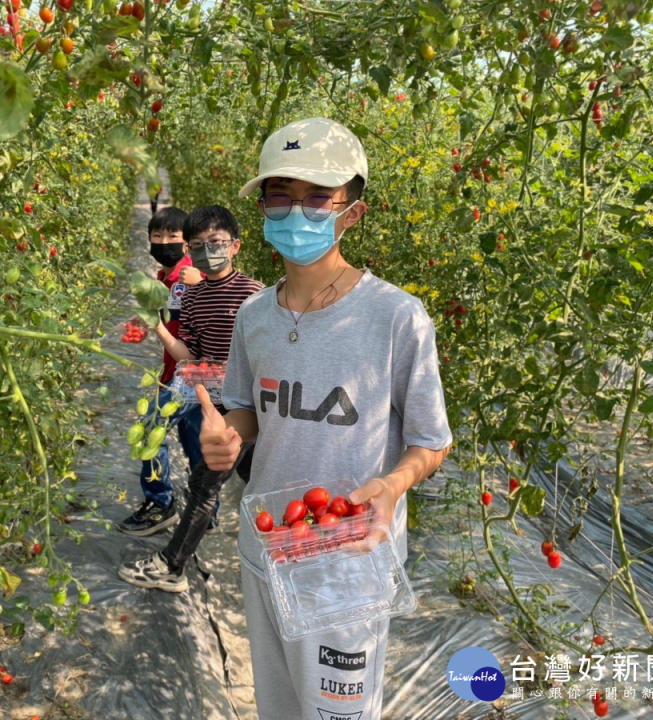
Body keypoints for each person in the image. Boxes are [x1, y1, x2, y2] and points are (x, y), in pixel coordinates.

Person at [195, 118, 452, 719]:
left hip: (349, 559)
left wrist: (392, 485)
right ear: (261, 207)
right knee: (280, 704)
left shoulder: (395, 318)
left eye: (317, 197)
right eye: (280, 196)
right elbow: (247, 409)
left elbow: (430, 442)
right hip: (269, 547)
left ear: (351, 212)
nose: (295, 213)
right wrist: (229, 436)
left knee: (338, 712)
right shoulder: (254, 315)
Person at [118, 205, 263, 590]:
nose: (206, 251)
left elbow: (261, 361)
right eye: (197, 245)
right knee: (230, 478)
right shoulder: (195, 296)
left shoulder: (253, 297)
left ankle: (172, 565)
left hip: (244, 407)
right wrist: (158, 329)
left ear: (235, 247)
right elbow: (192, 356)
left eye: (216, 243)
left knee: (207, 486)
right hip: (213, 398)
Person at [118, 207, 204, 536]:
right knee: (194, 440)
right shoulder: (164, 277)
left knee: (149, 430)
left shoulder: (189, 277)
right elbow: (167, 317)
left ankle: (161, 504)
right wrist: (144, 322)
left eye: (172, 236)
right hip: (180, 371)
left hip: (191, 373)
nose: (163, 241)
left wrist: (154, 323)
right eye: (157, 236)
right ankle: (204, 509)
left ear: (187, 243)